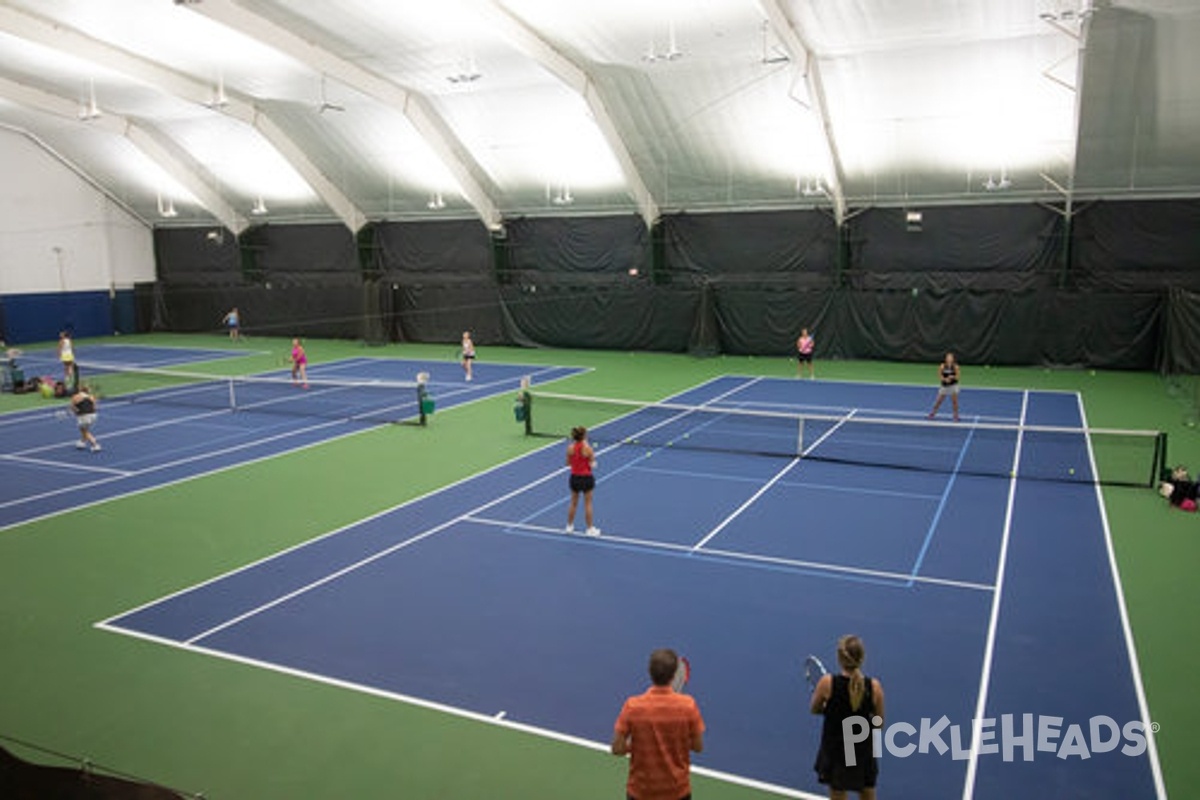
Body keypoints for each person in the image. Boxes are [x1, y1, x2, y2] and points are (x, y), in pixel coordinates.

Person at [611, 648, 705, 800]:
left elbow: (617, 749)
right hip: (677, 792)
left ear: (649, 672)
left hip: (641, 793)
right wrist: (675, 741)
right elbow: (698, 747)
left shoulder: (632, 706)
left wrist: (636, 745)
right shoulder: (688, 706)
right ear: (674, 675)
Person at [810, 635, 885, 800]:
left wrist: (828, 709)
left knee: (837, 794)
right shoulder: (875, 687)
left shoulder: (826, 683)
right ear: (862, 658)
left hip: (836, 752)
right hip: (863, 753)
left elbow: (815, 709)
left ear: (840, 658)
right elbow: (879, 723)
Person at [566, 425, 600, 536]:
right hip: (586, 479)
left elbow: (567, 463)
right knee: (588, 504)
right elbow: (593, 464)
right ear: (584, 436)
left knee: (573, 503)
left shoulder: (570, 448)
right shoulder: (588, 449)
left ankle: (569, 527)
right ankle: (590, 529)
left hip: (574, 478)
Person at [928, 352, 960, 422]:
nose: (949, 359)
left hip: (953, 386)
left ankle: (956, 415)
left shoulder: (955, 366)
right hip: (944, 386)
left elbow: (957, 377)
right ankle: (933, 413)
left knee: (954, 402)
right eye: (948, 357)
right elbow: (940, 375)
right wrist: (945, 379)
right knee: (938, 401)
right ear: (946, 359)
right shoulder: (942, 366)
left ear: (953, 359)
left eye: (950, 358)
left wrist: (952, 377)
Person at [70, 384, 101, 453]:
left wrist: (76, 413)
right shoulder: (91, 396)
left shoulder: (75, 397)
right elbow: (94, 407)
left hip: (84, 416)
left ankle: (95, 445)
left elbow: (72, 407)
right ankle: (82, 443)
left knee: (84, 431)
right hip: (94, 415)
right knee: (84, 429)